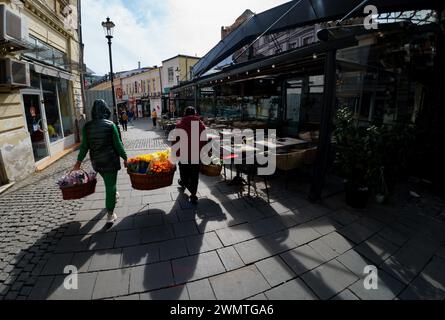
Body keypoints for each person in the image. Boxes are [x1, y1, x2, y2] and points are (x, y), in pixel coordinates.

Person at [73, 100, 128, 224]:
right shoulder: (110, 125)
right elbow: (118, 144)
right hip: (110, 161)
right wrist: (125, 158)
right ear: (105, 109)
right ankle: (110, 214)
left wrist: (78, 163)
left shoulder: (87, 126)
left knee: (109, 182)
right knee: (110, 186)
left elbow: (84, 147)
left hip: (96, 162)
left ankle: (113, 195)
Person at [174, 107, 206, 204]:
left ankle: (183, 182)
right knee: (194, 174)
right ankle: (193, 194)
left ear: (185, 113)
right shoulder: (201, 125)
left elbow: (175, 140)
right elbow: (204, 140)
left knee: (183, 170)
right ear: (195, 113)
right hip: (196, 154)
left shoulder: (180, 124)